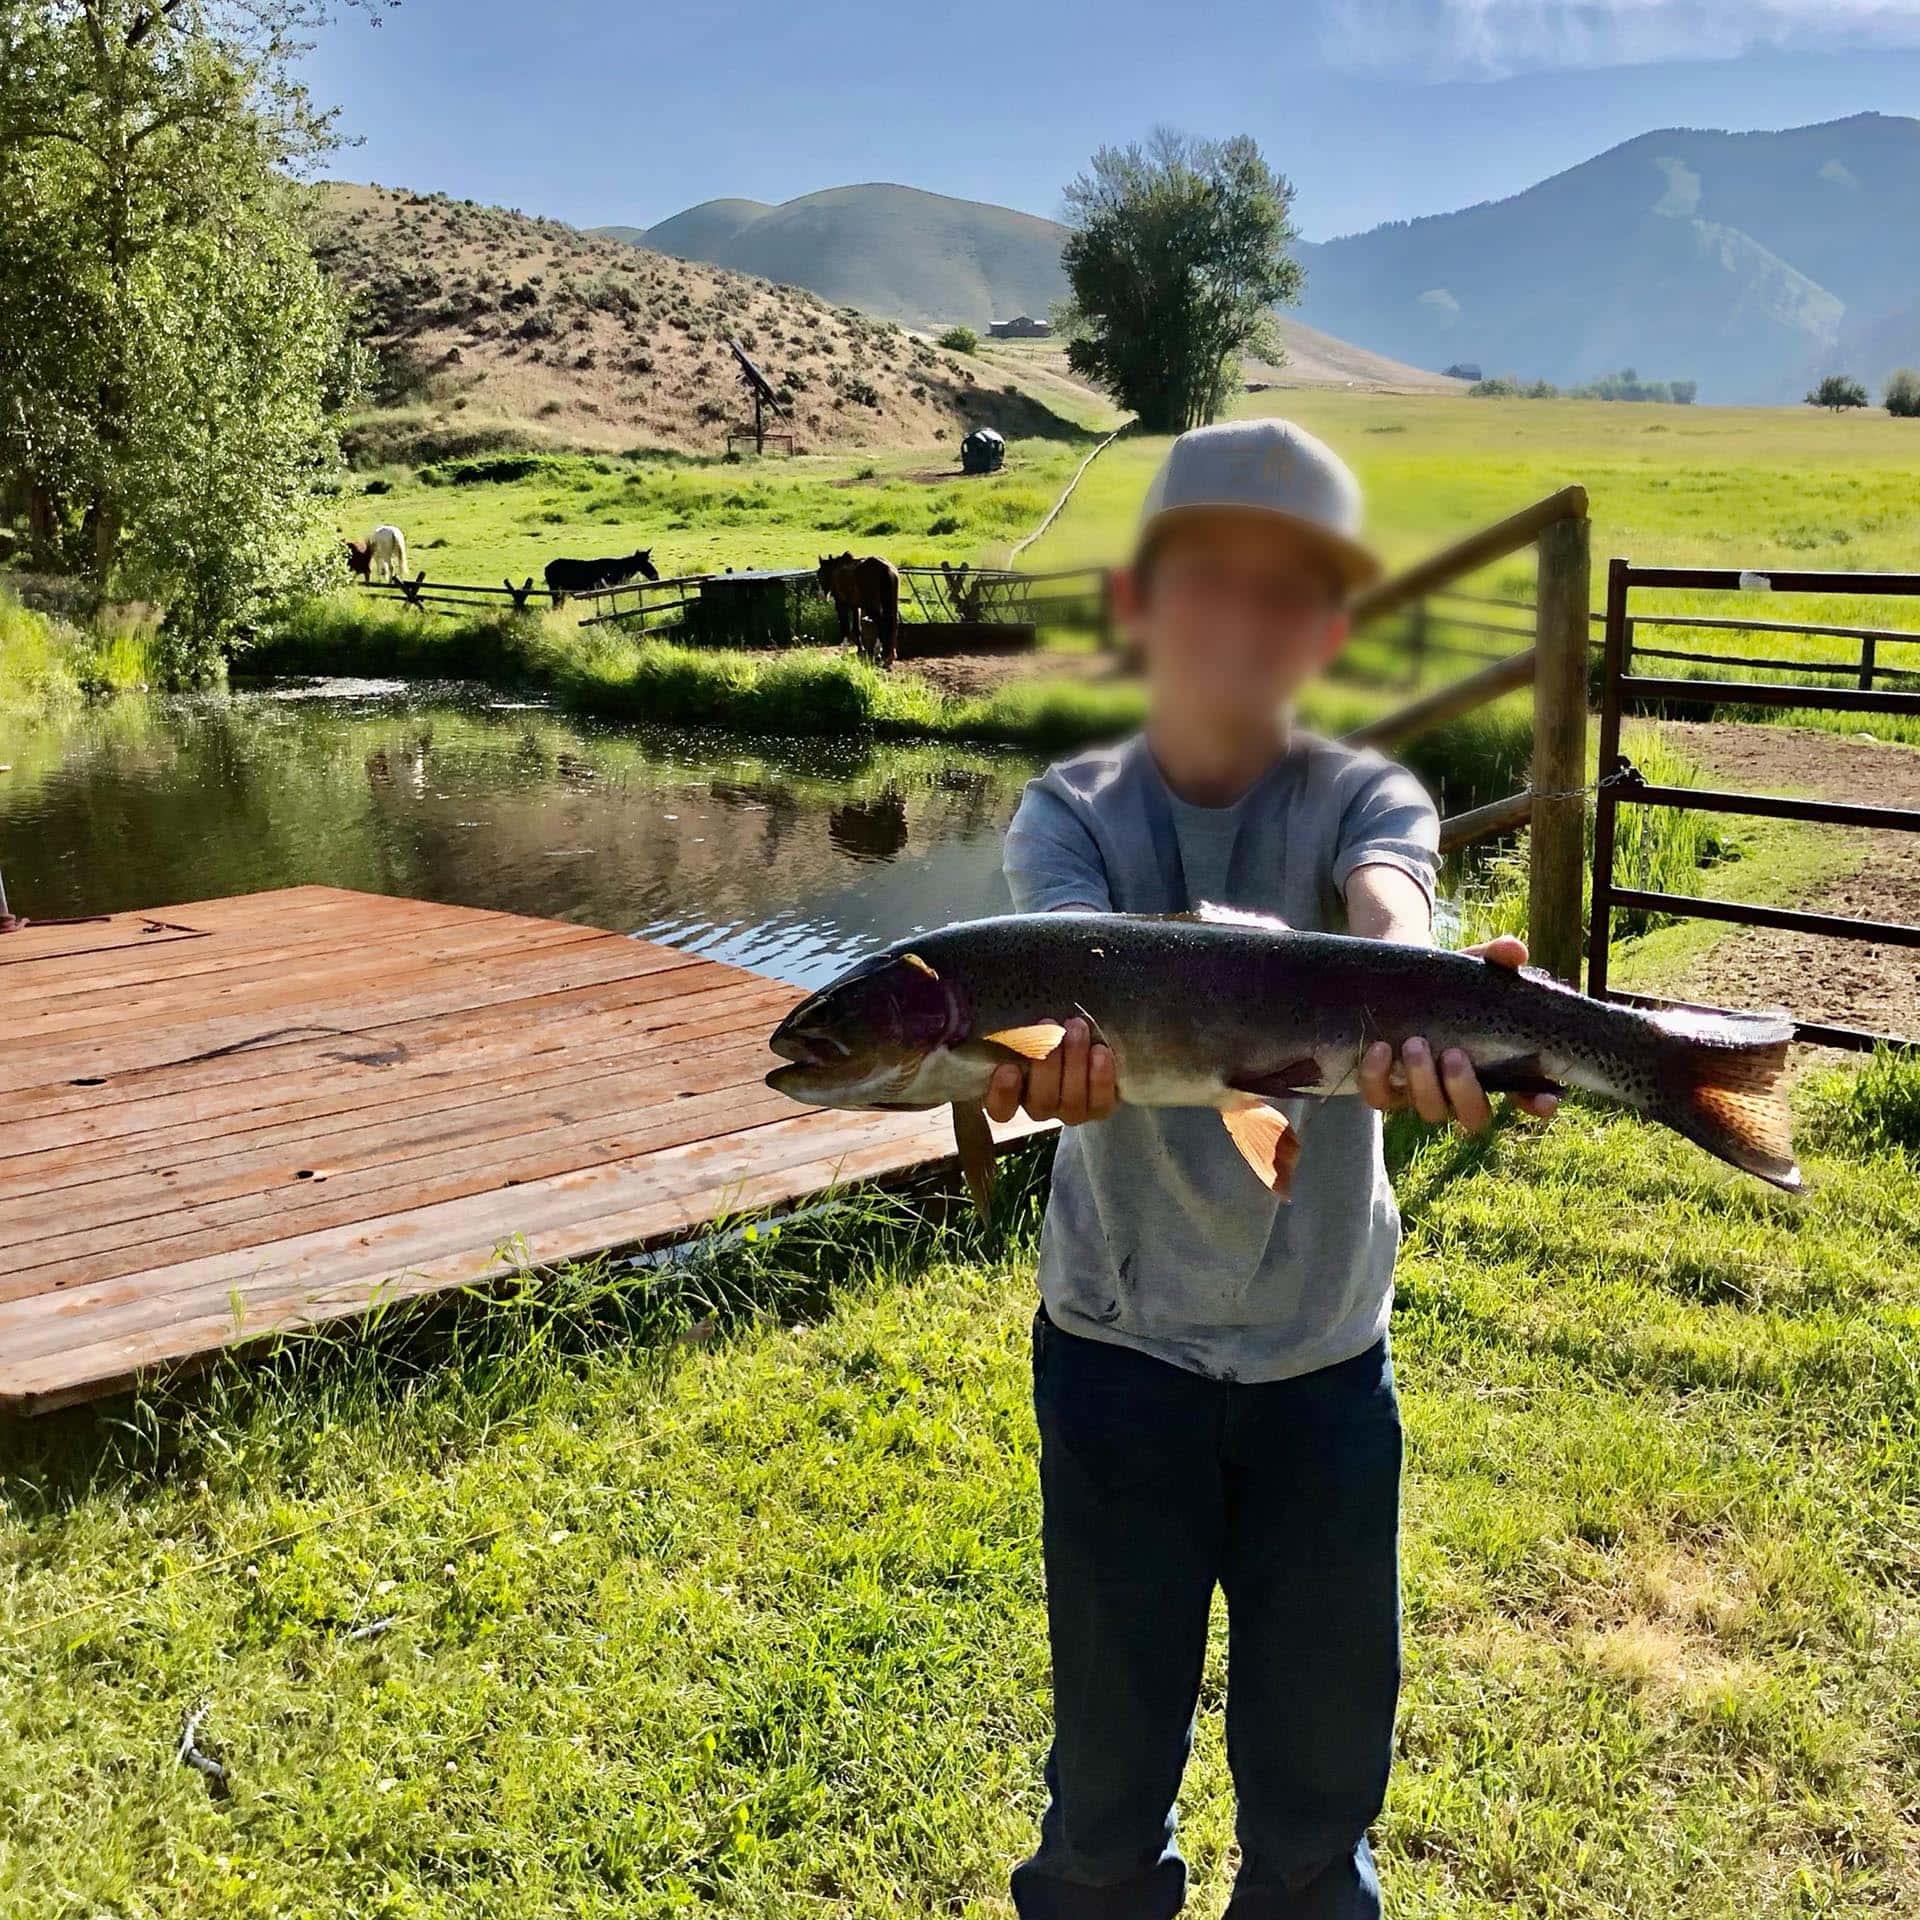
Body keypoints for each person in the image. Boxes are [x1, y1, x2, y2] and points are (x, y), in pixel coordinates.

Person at [993, 417, 1557, 1920]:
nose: (1241, 621)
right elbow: (1039, 985)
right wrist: (1040, 1070)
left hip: (1323, 1369)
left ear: (1329, 629)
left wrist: (1425, 999)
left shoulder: (1372, 796)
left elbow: (1394, 912)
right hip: (1116, 1358)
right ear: (1138, 601)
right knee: (1103, 1792)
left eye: (1283, 592)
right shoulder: (1074, 817)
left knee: (1318, 1798)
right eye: (1206, 581)